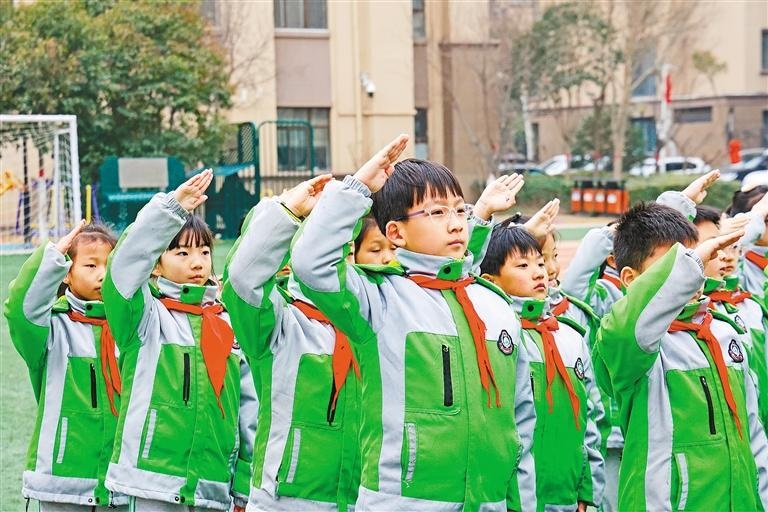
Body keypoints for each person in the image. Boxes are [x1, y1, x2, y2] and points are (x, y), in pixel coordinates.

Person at [291, 135, 537, 512]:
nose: (455, 224)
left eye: (459, 210)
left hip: (489, 502)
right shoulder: (380, 299)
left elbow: (520, 422)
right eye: (436, 213)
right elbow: (312, 265)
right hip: (401, 502)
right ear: (396, 233)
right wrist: (357, 189)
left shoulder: (494, 305)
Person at [595, 201, 768, 510]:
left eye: (693, 259)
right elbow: (628, 327)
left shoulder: (723, 331)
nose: (691, 274)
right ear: (631, 279)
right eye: (677, 265)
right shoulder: (633, 343)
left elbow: (753, 431)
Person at [102, 170, 257, 511]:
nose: (197, 262)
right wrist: (170, 210)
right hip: (151, 484)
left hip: (212, 486)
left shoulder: (227, 322)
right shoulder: (144, 316)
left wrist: (244, 482)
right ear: (155, 266)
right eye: (182, 254)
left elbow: (249, 408)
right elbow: (123, 267)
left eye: (204, 251)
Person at [479, 225, 605, 512]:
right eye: (523, 266)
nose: (540, 273)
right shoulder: (496, 336)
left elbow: (589, 418)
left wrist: (588, 489)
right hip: (514, 499)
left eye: (540, 263)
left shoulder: (571, 337)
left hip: (566, 496)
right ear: (490, 281)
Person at [5, 222, 127, 511]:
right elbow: (20, 311)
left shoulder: (131, 327)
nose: (103, 274)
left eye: (109, 264)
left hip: (121, 481)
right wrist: (53, 258)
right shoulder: (51, 328)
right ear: (67, 274)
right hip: (62, 483)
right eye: (91, 265)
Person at [694, 204, 768, 431]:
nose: (725, 256)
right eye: (716, 247)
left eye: (733, 247)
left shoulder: (749, 305)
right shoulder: (693, 311)